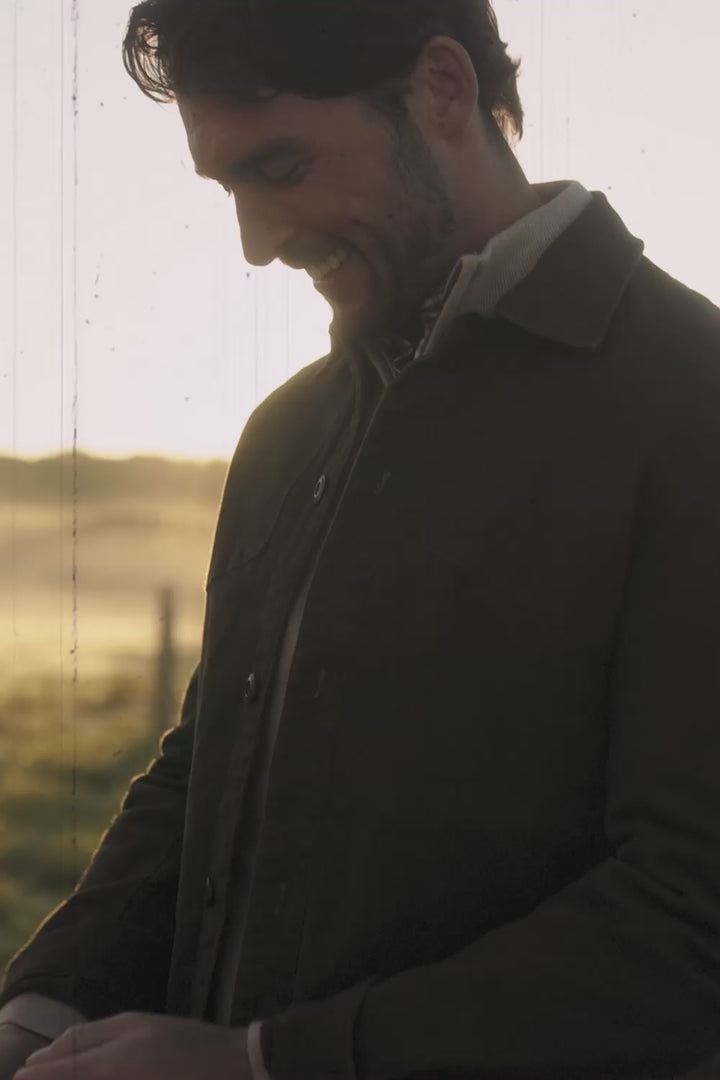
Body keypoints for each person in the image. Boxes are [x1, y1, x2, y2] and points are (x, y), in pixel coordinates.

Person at [2, 1, 720, 1077]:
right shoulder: (285, 432)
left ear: (441, 88)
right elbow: (205, 774)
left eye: (280, 166)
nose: (255, 241)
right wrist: (39, 1010)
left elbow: (690, 911)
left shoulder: (692, 402)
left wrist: (260, 1064)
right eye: (228, 188)